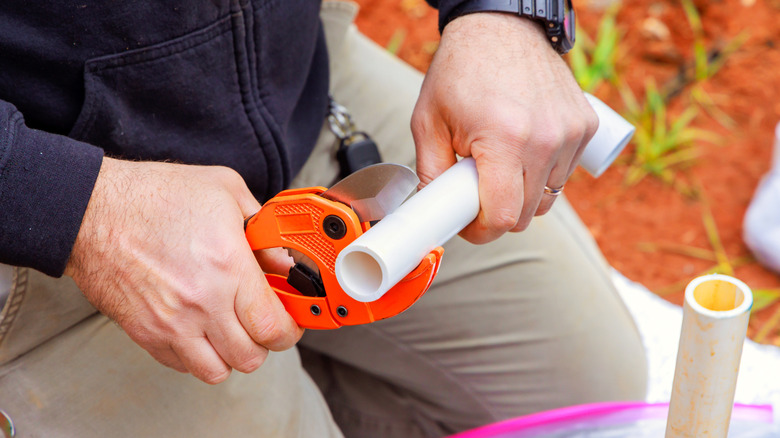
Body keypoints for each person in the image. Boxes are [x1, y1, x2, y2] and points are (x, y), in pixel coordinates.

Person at [0, 1, 648, 436]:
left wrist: (503, 14)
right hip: (65, 209)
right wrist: (77, 205)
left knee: (586, 407)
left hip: (291, 89)